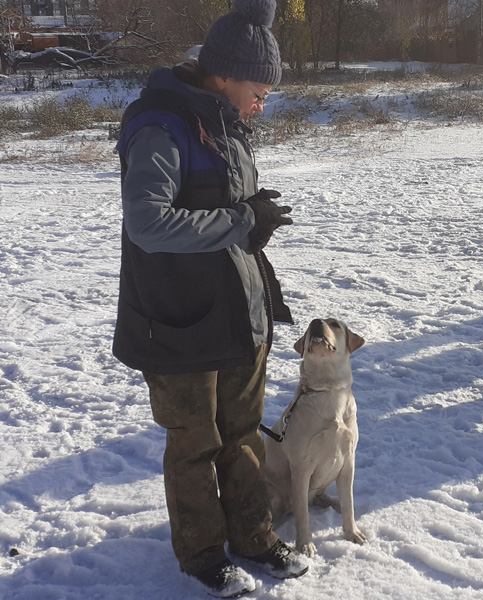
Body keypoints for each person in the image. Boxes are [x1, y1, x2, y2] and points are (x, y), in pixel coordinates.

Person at [112, 0, 307, 596]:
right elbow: (147, 222)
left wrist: (252, 218)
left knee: (243, 436)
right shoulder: (161, 125)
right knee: (195, 446)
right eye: (259, 90)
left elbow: (222, 210)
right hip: (178, 320)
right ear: (224, 75)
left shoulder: (225, 124)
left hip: (238, 313)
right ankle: (201, 555)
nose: (262, 103)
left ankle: (253, 537)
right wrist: (240, 220)